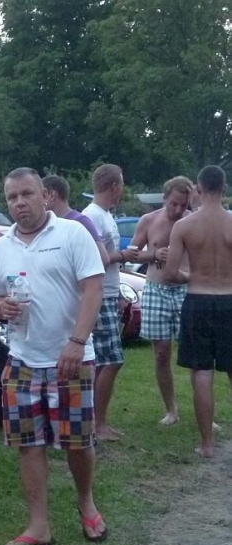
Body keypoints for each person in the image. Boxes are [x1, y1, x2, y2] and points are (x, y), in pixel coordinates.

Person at [0, 167, 106, 545]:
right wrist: (0, 306)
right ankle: (39, 526)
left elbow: (93, 288)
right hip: (21, 359)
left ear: (45, 195)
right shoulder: (0, 246)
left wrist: (76, 341)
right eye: (12, 198)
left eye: (27, 194)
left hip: (69, 358)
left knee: (77, 442)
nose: (20, 203)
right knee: (28, 444)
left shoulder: (72, 233)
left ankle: (86, 503)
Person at [163, 165, 232, 459]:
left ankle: (206, 444)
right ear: (224, 189)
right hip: (230, 299)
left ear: (198, 190)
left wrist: (191, 277)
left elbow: (169, 273)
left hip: (198, 300)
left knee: (202, 373)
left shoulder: (184, 227)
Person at [125, 176, 192, 426]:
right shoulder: (149, 220)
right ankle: (171, 409)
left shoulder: (192, 221)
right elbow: (131, 253)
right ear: (165, 198)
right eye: (173, 203)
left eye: (182, 205)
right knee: (161, 353)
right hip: (155, 288)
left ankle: (202, 407)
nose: (177, 210)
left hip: (187, 289)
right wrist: (153, 254)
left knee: (196, 351)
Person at [82, 164, 128, 441]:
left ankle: (97, 422)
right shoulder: (91, 217)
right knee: (112, 361)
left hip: (110, 295)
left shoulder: (106, 216)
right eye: (121, 184)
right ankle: (98, 425)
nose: (122, 189)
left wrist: (120, 293)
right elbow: (97, 259)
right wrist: (123, 255)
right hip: (99, 298)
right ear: (114, 185)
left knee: (102, 362)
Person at [41, 174, 109, 267]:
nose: (39, 201)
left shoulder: (80, 221)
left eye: (43, 196)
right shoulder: (49, 224)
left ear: (52, 195)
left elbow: (103, 259)